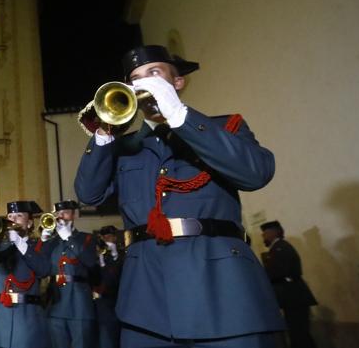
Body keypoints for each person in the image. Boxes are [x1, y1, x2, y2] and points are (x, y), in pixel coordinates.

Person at [75, 45, 283, 347]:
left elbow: (256, 174)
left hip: (222, 289)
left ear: (177, 82)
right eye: (136, 79)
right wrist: (105, 133)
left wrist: (178, 114)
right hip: (146, 299)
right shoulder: (124, 147)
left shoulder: (224, 127)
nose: (144, 83)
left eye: (154, 73)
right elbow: (88, 193)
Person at [0, 200, 51, 348]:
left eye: (18, 215)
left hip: (28, 319)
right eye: (10, 215)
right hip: (0, 318)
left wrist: (19, 242)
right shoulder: (0, 246)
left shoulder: (38, 246)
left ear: (29, 223)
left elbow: (44, 270)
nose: (12, 219)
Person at [41, 200, 99, 348]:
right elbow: (41, 268)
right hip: (56, 303)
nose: (61, 217)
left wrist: (69, 238)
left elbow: (91, 262)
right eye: (58, 214)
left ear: (74, 215)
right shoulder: (52, 242)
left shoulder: (87, 238)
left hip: (79, 305)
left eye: (65, 212)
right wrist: (44, 241)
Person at [260, 220, 318, 348]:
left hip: (294, 297)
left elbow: (279, 271)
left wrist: (261, 276)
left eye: (265, 233)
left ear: (274, 233)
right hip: (292, 298)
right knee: (300, 335)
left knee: (299, 335)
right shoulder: (277, 248)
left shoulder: (281, 247)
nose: (263, 237)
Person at [93, 226, 122, 348]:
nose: (106, 240)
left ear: (115, 237)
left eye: (109, 236)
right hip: (104, 300)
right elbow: (95, 277)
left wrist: (115, 256)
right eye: (104, 237)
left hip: (119, 299)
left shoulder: (123, 254)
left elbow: (119, 275)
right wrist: (101, 262)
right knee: (106, 336)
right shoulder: (98, 256)